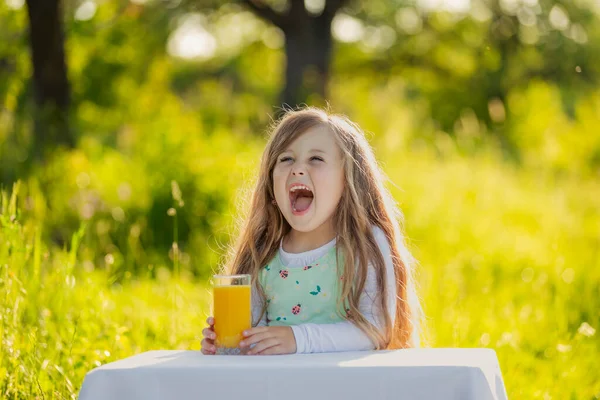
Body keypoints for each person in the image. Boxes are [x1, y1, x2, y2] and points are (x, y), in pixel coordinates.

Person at [201, 107, 422, 355]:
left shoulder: (364, 244)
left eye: (316, 159)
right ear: (271, 183)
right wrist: (227, 345)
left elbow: (376, 329)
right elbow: (253, 342)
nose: (297, 169)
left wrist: (299, 339)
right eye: (286, 159)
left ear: (348, 181)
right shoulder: (263, 252)